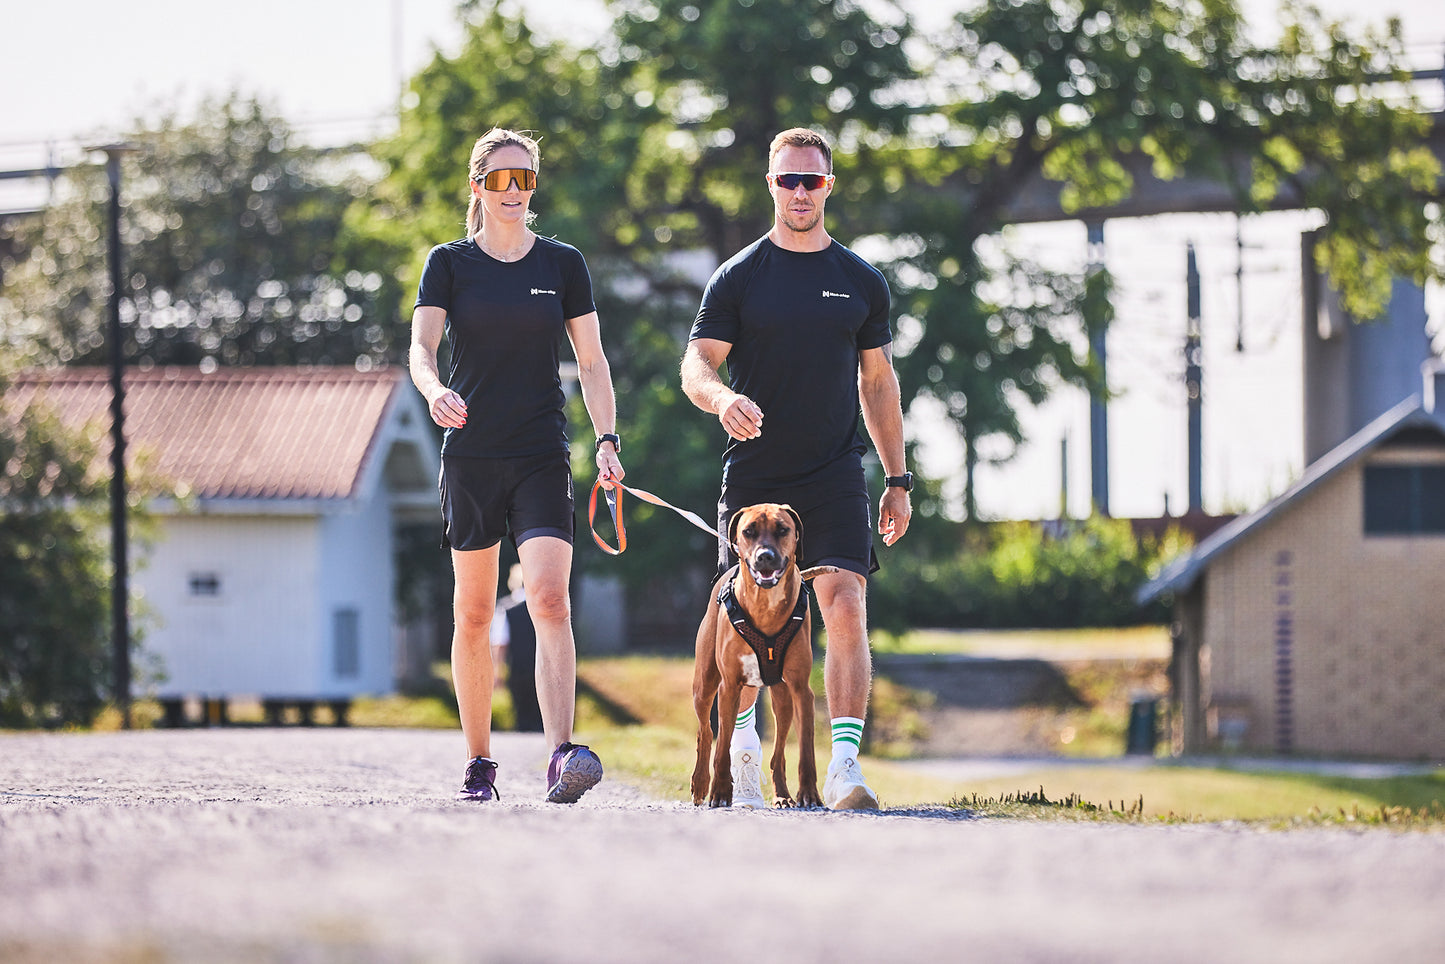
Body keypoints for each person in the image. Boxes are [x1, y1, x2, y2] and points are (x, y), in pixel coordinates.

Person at [680, 127, 912, 810]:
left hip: (833, 470)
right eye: (789, 180)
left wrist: (897, 480)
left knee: (845, 601)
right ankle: (743, 749)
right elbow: (697, 364)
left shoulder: (860, 281)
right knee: (745, 617)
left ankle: (844, 765)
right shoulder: (739, 276)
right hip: (755, 472)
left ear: (829, 186)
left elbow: (877, 382)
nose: (801, 191)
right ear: (771, 185)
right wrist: (721, 399)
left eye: (812, 180)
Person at [410, 128, 624, 803]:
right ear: (477, 186)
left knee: (549, 598)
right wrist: (433, 390)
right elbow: (421, 349)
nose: (513, 191)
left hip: (540, 453)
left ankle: (562, 755)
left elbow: (592, 361)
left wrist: (608, 439)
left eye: (524, 178)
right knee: (474, 613)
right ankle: (479, 762)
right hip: (471, 454)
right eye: (500, 179)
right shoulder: (448, 264)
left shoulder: (562, 264)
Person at [490, 564, 544, 733]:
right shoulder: (543, 606)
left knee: (522, 714)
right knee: (542, 715)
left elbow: (500, 643)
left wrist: (498, 671)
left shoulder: (505, 609)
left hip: (517, 668)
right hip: (542, 666)